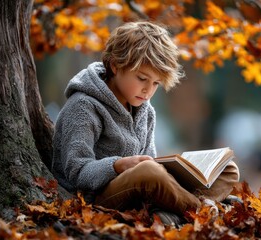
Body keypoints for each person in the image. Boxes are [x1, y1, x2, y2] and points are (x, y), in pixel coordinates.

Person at [51, 21, 240, 226]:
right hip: (93, 200)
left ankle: (180, 212)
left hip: (139, 192)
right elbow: (77, 172)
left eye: (156, 83)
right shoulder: (83, 106)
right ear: (115, 65)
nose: (148, 91)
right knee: (149, 172)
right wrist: (117, 165)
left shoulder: (145, 110)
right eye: (142, 78)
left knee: (227, 169)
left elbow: (152, 163)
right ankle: (202, 212)